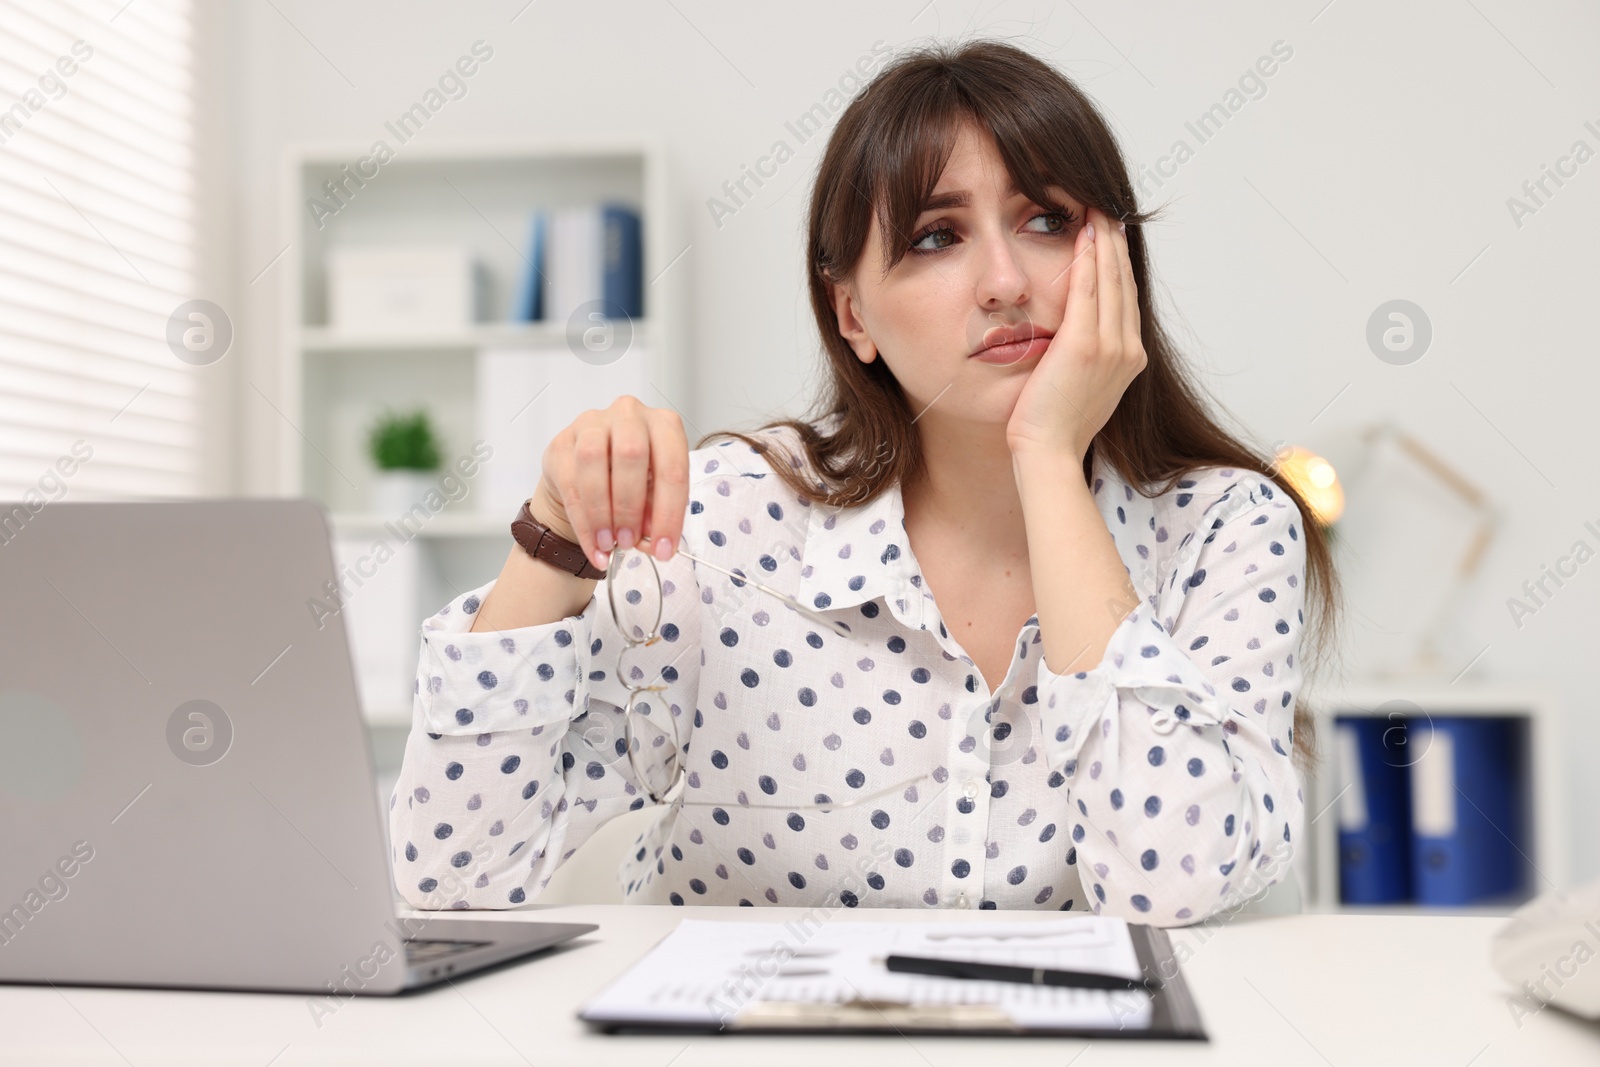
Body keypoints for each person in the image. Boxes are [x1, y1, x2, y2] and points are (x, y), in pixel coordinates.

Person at [388, 38, 1341, 925]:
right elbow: (451, 873)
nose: (1006, 281)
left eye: (1047, 221)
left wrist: (1048, 457)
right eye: (936, 236)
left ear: (1116, 259)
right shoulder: (729, 524)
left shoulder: (1227, 526)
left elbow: (1170, 875)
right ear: (853, 316)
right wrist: (554, 533)